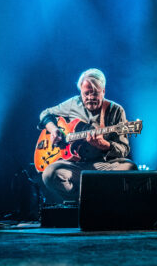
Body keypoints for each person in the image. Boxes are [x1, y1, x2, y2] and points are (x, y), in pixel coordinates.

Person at [38, 68, 136, 203]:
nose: (90, 97)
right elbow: (45, 114)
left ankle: (91, 201)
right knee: (49, 174)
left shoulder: (116, 111)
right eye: (86, 93)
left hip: (103, 165)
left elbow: (124, 149)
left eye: (95, 93)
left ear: (103, 91)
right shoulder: (73, 103)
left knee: (129, 168)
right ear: (80, 92)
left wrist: (105, 145)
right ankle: (86, 201)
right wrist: (54, 130)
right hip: (76, 165)